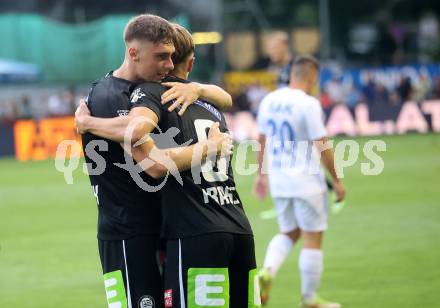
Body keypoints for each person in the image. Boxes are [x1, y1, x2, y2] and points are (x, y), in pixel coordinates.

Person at [77, 23, 259, 308]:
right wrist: (207, 146)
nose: (169, 64)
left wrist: (199, 88)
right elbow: (151, 159)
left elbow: (224, 98)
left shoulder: (162, 93)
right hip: (129, 231)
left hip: (171, 228)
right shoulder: (110, 95)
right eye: (161, 56)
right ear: (134, 53)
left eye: (172, 57)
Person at [254, 56, 346, 308]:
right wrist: (338, 180)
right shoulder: (308, 104)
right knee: (312, 238)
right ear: (312, 77)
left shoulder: (269, 100)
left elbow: (260, 139)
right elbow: (323, 145)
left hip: (281, 183)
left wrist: (261, 175)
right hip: (307, 182)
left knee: (289, 232)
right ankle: (309, 299)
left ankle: (267, 272)